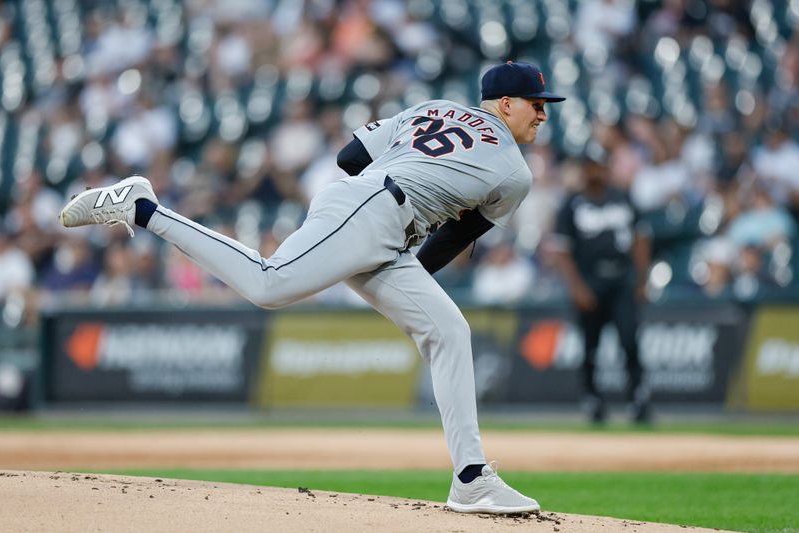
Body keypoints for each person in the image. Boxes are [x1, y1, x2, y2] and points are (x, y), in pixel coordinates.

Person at [60, 61, 565, 514]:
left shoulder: (431, 107)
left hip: (370, 208)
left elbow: (349, 156)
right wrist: (382, 235)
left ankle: (471, 479)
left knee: (449, 331)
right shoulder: (515, 172)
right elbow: (458, 235)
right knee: (268, 284)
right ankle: (143, 208)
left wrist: (391, 266)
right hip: (378, 213)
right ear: (506, 104)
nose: (543, 116)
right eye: (537, 106)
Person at [551, 149, 652, 424]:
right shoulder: (571, 204)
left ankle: (638, 397)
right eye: (590, 166)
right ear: (584, 169)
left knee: (629, 339)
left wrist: (642, 279)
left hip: (621, 280)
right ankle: (592, 398)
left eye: (598, 166)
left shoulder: (622, 197)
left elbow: (641, 239)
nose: (595, 171)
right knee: (590, 346)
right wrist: (576, 287)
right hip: (589, 280)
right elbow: (562, 250)